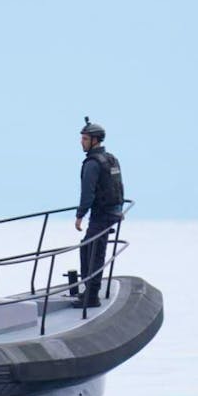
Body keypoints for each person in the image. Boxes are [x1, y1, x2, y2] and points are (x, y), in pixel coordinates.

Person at [73, 117, 124, 309]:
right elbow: (119, 186)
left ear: (95, 140)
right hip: (111, 213)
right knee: (95, 247)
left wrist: (80, 215)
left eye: (85, 139)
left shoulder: (92, 164)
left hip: (101, 215)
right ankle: (91, 290)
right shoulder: (111, 158)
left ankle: (91, 294)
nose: (82, 142)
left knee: (89, 249)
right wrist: (118, 211)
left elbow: (88, 193)